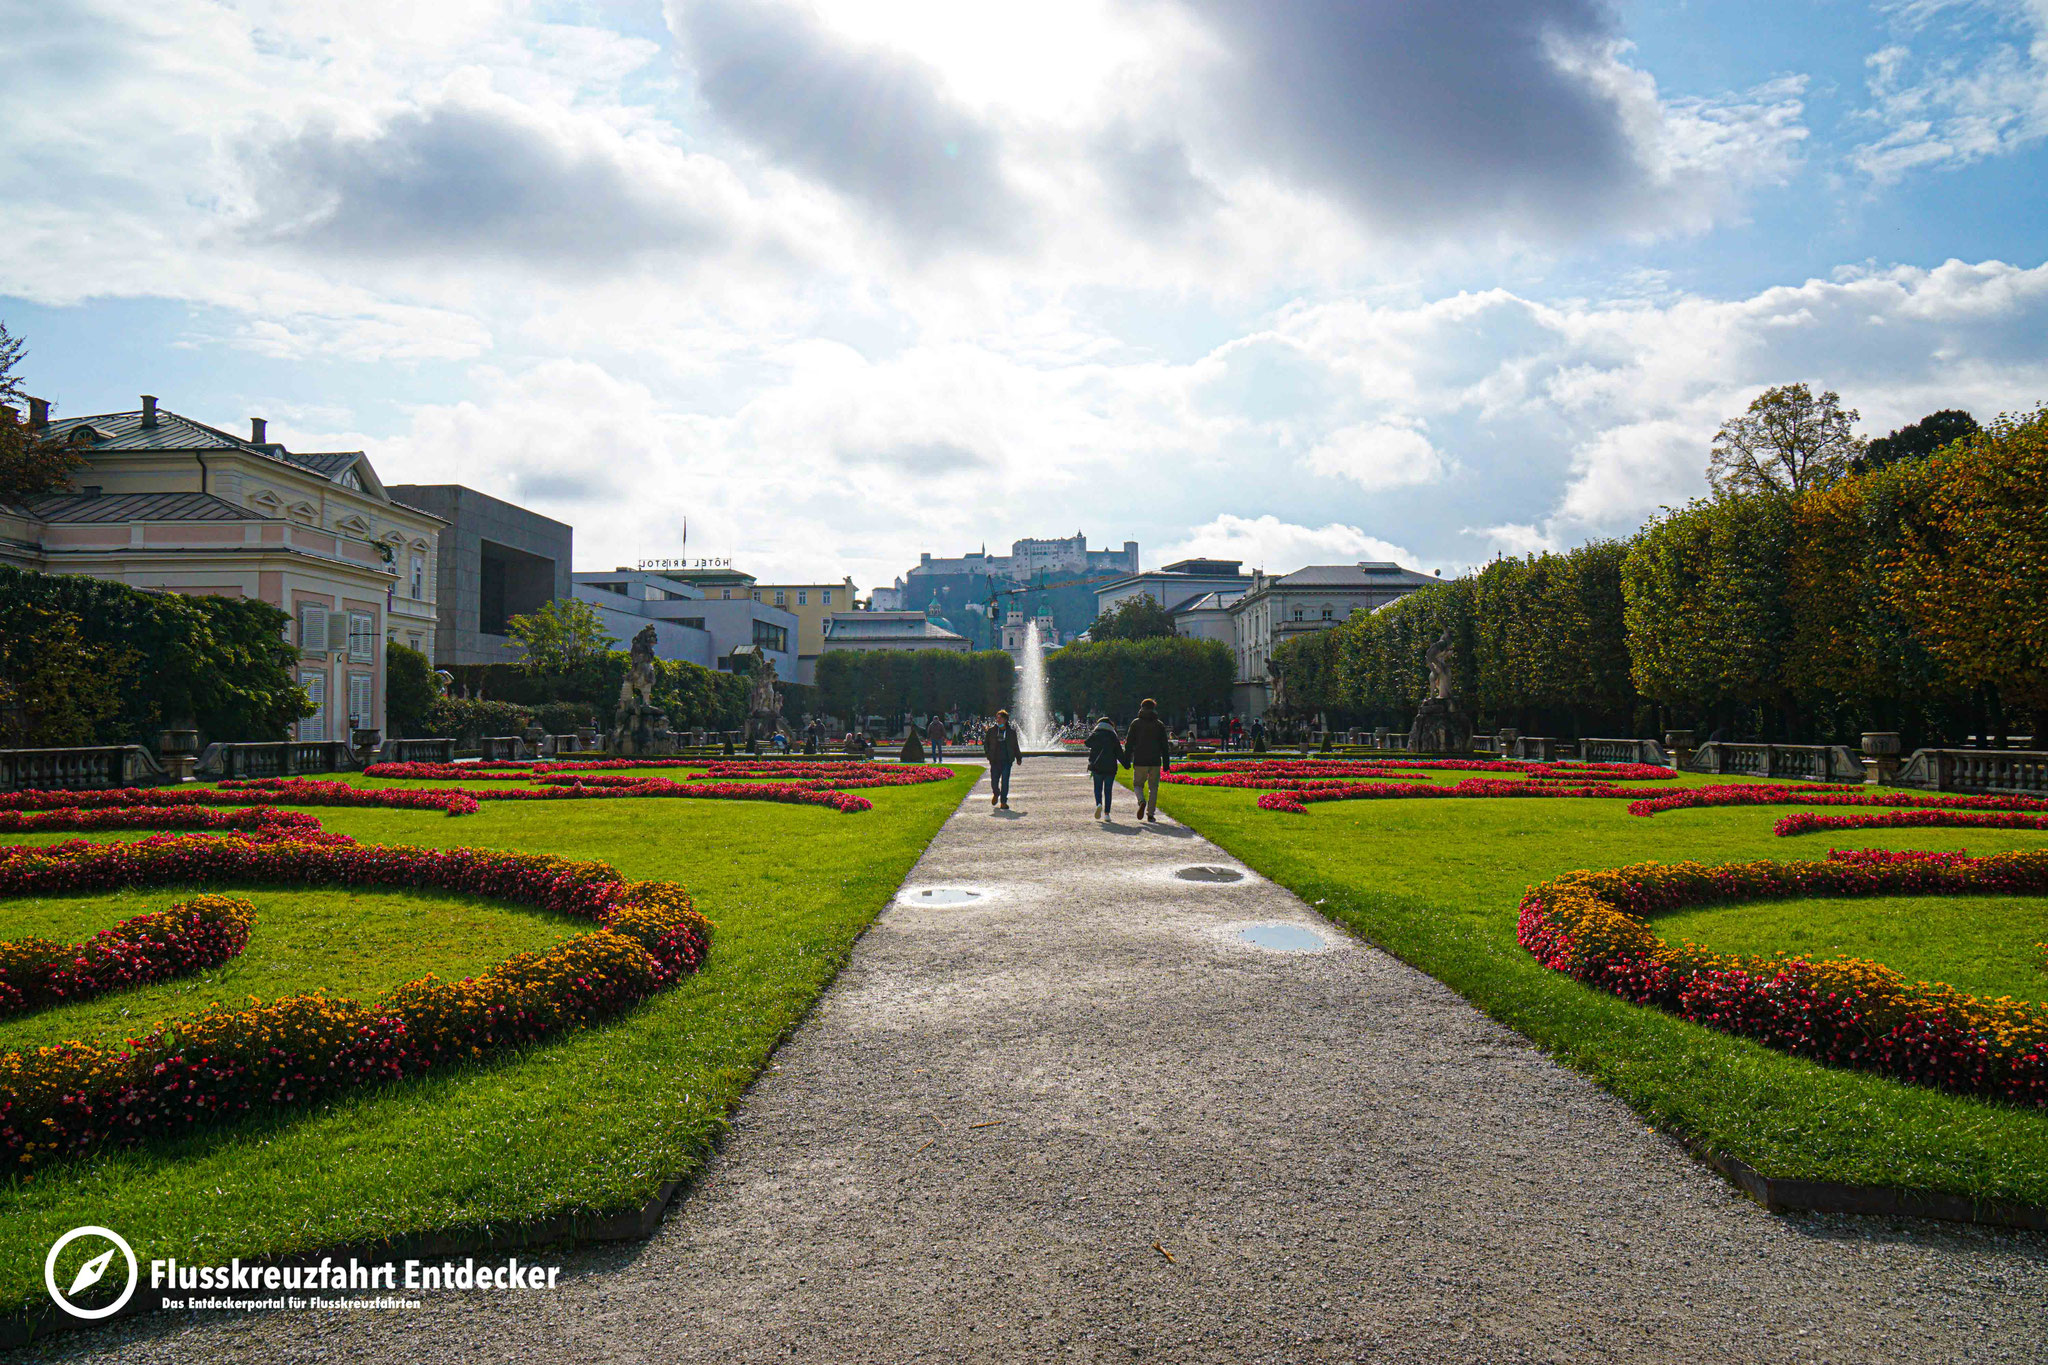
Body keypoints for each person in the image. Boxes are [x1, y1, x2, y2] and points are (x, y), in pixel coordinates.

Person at [1125, 696, 1172, 822]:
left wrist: (1126, 759)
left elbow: (1129, 743)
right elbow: (1164, 746)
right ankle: (1150, 813)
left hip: (1140, 759)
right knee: (1153, 788)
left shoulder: (1136, 723)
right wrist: (1167, 763)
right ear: (1154, 709)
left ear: (1142, 708)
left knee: (1138, 785)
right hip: (1155, 761)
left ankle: (1141, 801)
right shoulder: (1159, 724)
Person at [1084, 715, 1126, 820]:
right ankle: (1107, 814)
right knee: (1108, 790)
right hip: (1110, 768)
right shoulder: (1113, 736)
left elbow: (1087, 743)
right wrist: (1126, 764)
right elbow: (1119, 753)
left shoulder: (1096, 734)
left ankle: (1098, 804)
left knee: (1097, 788)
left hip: (1097, 766)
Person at [982, 708, 1023, 809]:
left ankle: (1003, 802)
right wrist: (988, 755)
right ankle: (996, 793)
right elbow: (986, 744)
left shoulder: (1011, 733)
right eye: (997, 718)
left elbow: (1015, 746)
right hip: (995, 761)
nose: (997, 720)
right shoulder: (991, 731)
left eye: (999, 718)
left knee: (1005, 782)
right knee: (994, 782)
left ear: (1005, 720)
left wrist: (1018, 757)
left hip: (1006, 761)